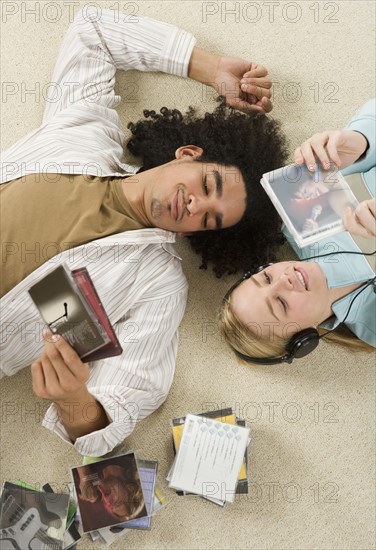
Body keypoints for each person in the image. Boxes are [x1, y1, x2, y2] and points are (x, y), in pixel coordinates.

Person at [0, 7, 287, 456]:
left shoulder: (157, 284)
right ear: (188, 153)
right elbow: (92, 30)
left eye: (209, 219)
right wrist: (211, 69)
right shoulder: (85, 132)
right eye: (207, 185)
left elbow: (123, 403)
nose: (196, 205)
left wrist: (74, 400)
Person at [220, 99, 376, 362]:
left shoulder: (301, 213)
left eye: (266, 278)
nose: (284, 280)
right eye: (280, 304)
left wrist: (361, 142)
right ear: (305, 340)